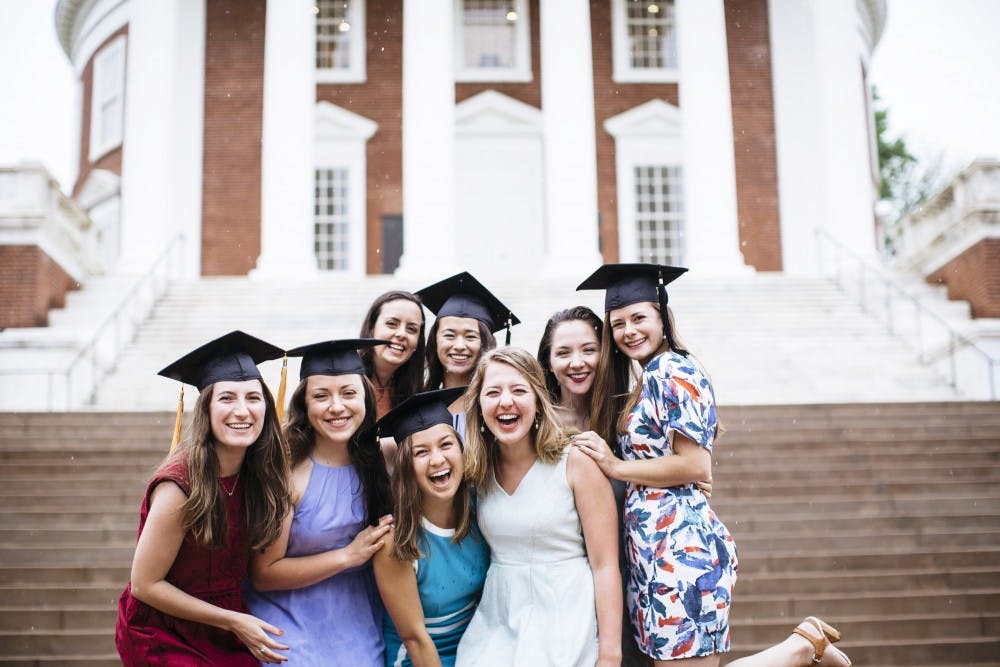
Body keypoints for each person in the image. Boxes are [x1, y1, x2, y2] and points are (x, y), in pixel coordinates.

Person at [576, 263, 850, 666]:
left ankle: (800, 648)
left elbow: (695, 464)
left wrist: (616, 467)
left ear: (662, 318)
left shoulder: (673, 369)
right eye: (618, 324)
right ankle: (802, 646)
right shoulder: (650, 376)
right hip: (655, 547)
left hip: (679, 548)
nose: (629, 331)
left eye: (639, 318)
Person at [115, 330, 292, 665]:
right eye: (227, 398)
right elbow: (144, 585)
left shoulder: (258, 474)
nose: (243, 411)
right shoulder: (180, 486)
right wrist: (234, 621)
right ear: (206, 409)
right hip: (163, 629)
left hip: (223, 625)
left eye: (253, 398)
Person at [455, 347, 622, 666]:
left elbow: (605, 566)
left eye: (519, 390)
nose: (506, 402)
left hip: (565, 621)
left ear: (538, 400)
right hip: (498, 624)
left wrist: (610, 655)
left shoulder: (576, 461)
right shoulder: (478, 470)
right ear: (478, 404)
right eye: (493, 392)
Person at [246, 339, 394, 665]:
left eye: (348, 393)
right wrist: (348, 555)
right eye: (321, 396)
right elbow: (264, 573)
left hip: (358, 619)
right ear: (305, 403)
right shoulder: (287, 471)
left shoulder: (383, 459)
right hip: (289, 621)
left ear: (366, 397)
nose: (336, 407)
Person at [373, 388, 490, 667]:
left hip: (476, 651)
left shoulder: (480, 508)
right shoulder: (395, 541)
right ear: (405, 467)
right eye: (421, 452)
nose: (437, 460)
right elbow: (415, 639)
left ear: (461, 451)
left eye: (446, 445)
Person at [416, 271, 519, 398]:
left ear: (486, 343)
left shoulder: (499, 403)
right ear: (435, 341)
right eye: (449, 335)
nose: (459, 346)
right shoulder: (419, 403)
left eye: (471, 337)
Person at [359, 291, 427, 419]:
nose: (402, 334)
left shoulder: (413, 392)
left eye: (411, 329)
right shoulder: (347, 382)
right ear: (372, 328)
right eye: (391, 324)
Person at [537, 305, 603, 434]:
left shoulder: (626, 415)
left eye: (588, 350)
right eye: (563, 353)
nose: (577, 364)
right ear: (549, 363)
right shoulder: (536, 421)